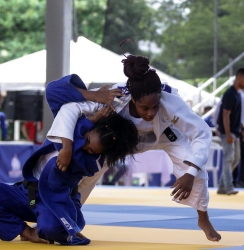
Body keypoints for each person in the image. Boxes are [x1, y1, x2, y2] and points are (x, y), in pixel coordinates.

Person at [47, 56, 222, 242]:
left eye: (154, 106)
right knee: (87, 174)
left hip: (165, 134)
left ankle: (203, 219)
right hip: (120, 140)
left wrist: (190, 173)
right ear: (133, 99)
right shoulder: (114, 97)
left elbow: (202, 132)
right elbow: (69, 108)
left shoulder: (171, 102)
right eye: (144, 107)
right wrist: (66, 146)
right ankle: (67, 220)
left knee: (194, 166)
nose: (150, 113)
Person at [0, 75, 139, 245]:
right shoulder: (68, 125)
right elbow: (54, 90)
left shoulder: (94, 162)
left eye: (91, 150)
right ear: (95, 126)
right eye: (86, 140)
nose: (86, 148)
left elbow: (78, 149)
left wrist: (73, 141)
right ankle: (26, 231)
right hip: (27, 194)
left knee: (52, 231)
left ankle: (49, 225)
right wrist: (94, 100)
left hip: (55, 203)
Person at [216, 68, 244, 195]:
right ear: (239, 78)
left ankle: (222, 185)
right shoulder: (230, 94)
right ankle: (228, 186)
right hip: (227, 131)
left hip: (235, 131)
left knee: (236, 159)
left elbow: (237, 115)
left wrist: (241, 129)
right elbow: (225, 115)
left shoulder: (238, 94)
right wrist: (227, 134)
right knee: (229, 159)